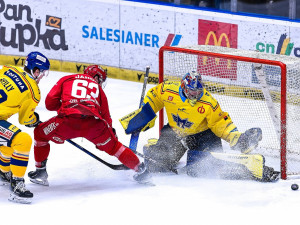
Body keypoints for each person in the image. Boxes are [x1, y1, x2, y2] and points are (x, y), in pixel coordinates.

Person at [120, 71, 280, 182]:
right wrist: (145, 113)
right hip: (175, 133)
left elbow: (220, 123)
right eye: (191, 91)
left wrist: (235, 138)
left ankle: (254, 170)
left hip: (203, 135)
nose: (195, 95)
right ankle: (155, 146)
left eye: (198, 92)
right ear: (183, 86)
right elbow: (154, 98)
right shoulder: (168, 89)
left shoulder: (208, 102)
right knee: (157, 164)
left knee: (202, 169)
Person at [27, 65, 150, 188]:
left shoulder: (67, 78)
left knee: (40, 133)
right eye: (100, 80)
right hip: (94, 125)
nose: (100, 83)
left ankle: (40, 172)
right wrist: (111, 137)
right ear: (96, 77)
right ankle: (142, 171)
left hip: (67, 122)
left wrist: (65, 108)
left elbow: (49, 103)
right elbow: (106, 116)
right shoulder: (98, 89)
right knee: (115, 148)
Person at [0, 51, 50, 204]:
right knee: (23, 140)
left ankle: (3, 172)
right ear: (36, 71)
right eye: (42, 73)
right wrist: (35, 119)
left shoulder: (7, 69)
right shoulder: (33, 91)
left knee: (10, 140)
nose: (41, 76)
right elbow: (25, 120)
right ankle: (17, 184)